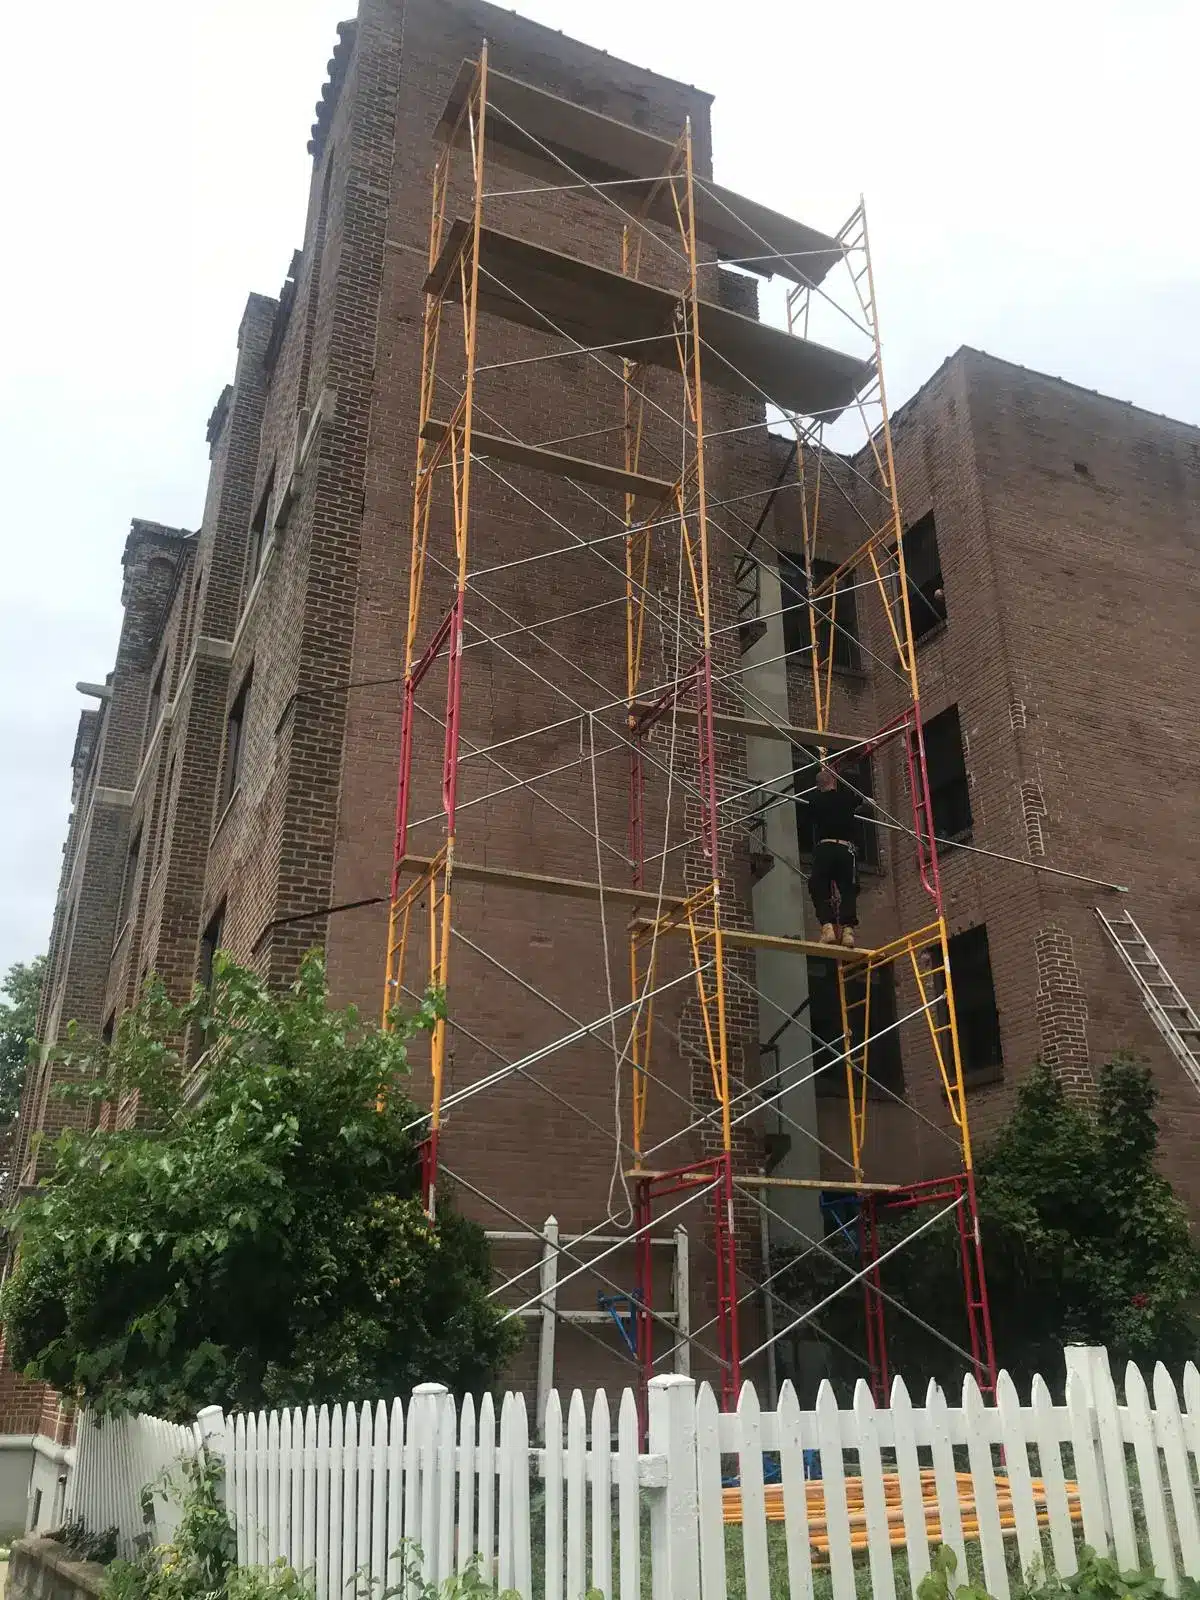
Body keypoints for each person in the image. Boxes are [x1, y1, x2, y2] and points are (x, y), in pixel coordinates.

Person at [807, 764, 865, 947]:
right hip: (845, 850)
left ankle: (827, 927)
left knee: (818, 885)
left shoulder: (815, 800)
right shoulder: (847, 798)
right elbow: (864, 803)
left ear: (818, 785)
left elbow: (809, 818)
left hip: (825, 848)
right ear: (834, 781)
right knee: (848, 889)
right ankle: (848, 931)